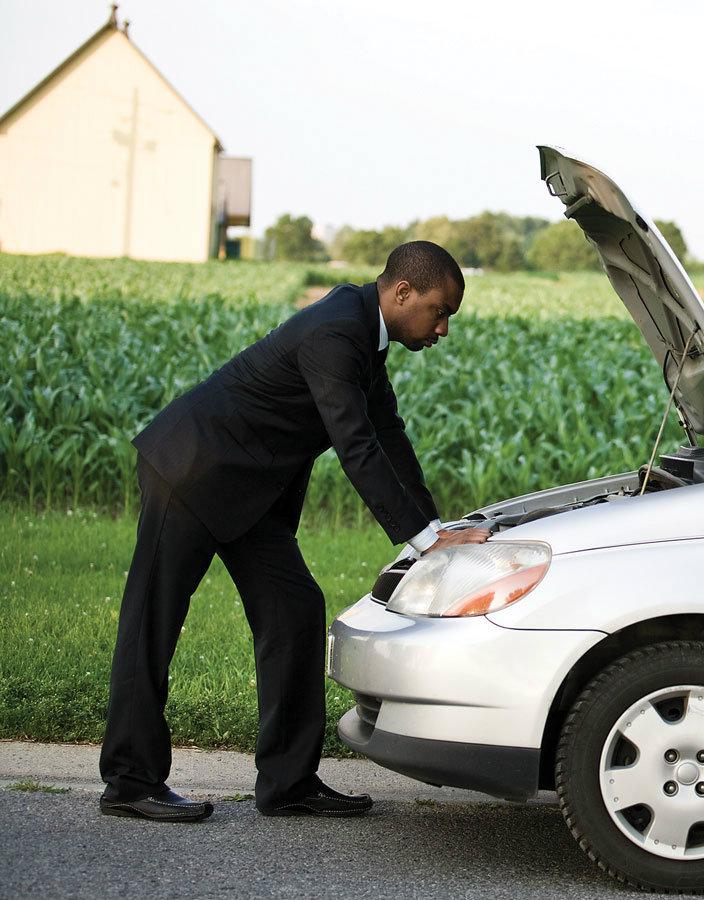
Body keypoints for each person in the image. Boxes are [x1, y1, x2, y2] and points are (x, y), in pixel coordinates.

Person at [99, 241, 489, 822]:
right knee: (153, 619)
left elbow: (388, 433)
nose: (443, 329)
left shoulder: (366, 334)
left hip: (246, 489)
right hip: (191, 469)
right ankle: (130, 782)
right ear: (403, 292)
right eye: (440, 311)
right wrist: (425, 541)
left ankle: (288, 783)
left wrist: (437, 528)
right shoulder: (337, 331)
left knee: (294, 610)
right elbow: (355, 443)